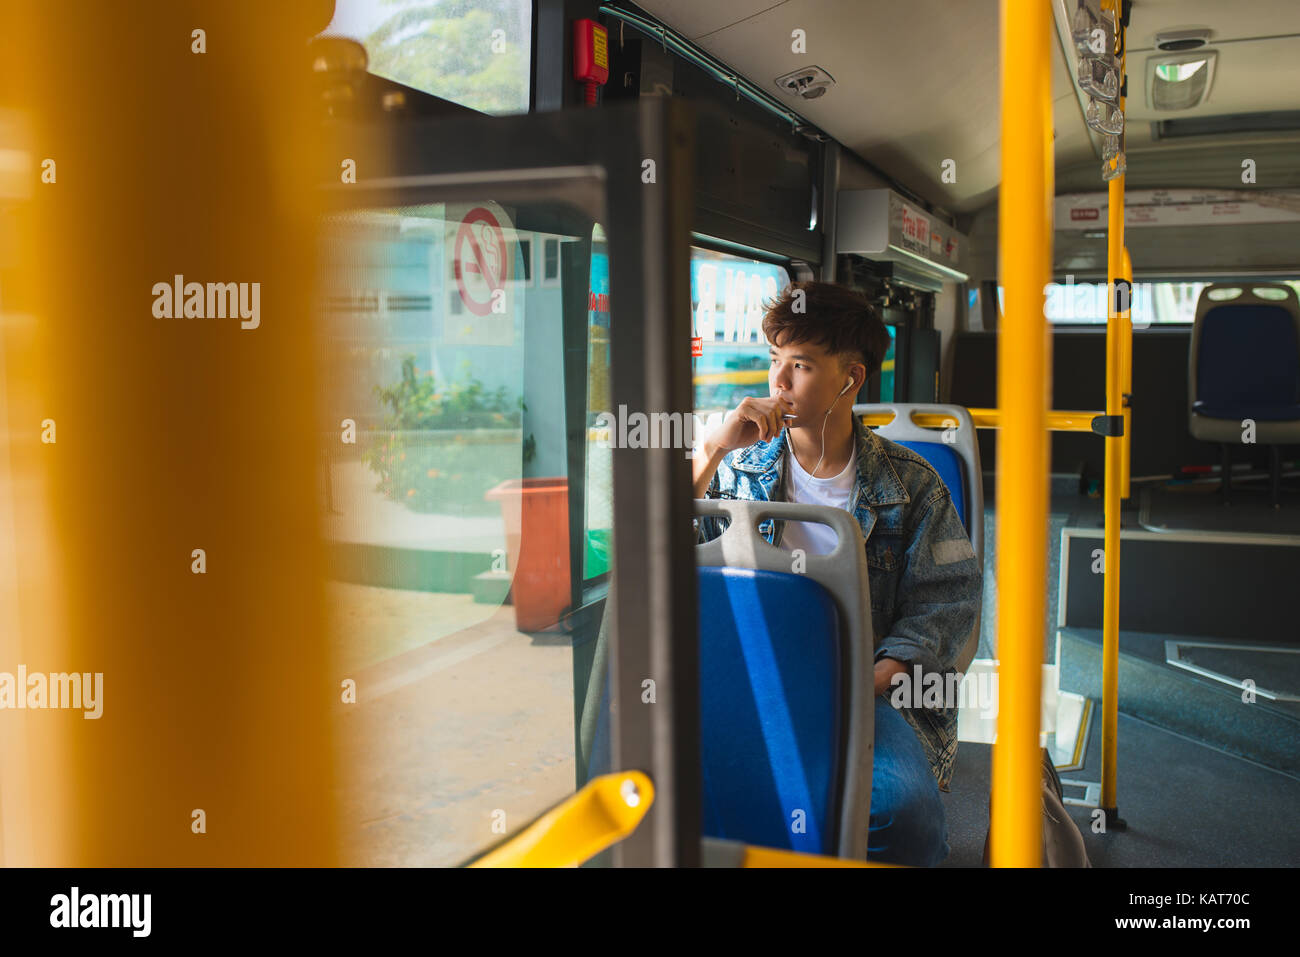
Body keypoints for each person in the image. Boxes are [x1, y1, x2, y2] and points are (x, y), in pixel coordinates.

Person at [692, 280, 981, 867]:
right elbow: (656, 554)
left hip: (865, 693)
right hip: (750, 680)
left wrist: (854, 684)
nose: (778, 383)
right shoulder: (739, 471)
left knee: (899, 816)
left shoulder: (913, 486)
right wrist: (713, 452)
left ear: (850, 379)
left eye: (799, 366)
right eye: (775, 361)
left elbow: (943, 611)